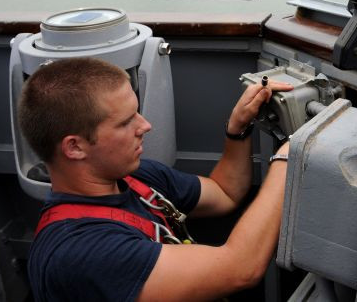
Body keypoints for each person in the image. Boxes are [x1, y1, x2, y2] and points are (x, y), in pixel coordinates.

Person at [19, 56, 292, 301]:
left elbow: (225, 192)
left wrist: (238, 128)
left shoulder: (136, 178)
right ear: (75, 147)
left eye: (137, 112)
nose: (145, 126)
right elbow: (241, 269)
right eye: (126, 122)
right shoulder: (82, 252)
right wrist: (289, 158)